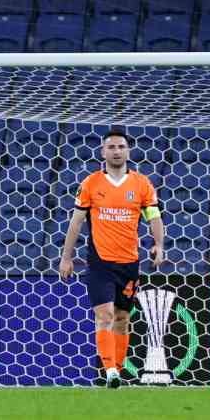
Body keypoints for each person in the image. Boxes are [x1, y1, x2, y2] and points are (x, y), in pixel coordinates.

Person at [57, 127, 165, 389]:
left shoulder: (142, 184)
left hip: (129, 262)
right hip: (99, 263)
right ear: (103, 151)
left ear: (128, 151)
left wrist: (159, 245)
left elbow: (154, 216)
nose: (116, 151)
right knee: (104, 315)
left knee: (122, 318)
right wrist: (66, 257)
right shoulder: (91, 183)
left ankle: (116, 370)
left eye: (121, 147)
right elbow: (76, 221)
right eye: (111, 147)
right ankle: (110, 373)